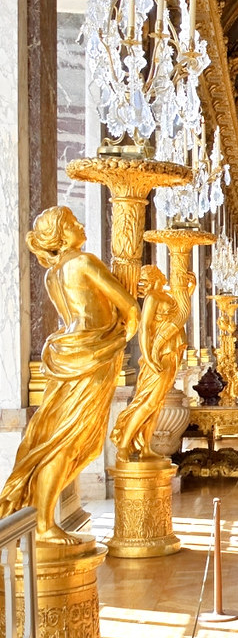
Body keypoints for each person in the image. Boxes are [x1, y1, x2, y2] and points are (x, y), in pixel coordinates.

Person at [0, 206, 138, 543]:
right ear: (61, 234)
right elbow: (129, 306)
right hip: (92, 356)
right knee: (68, 441)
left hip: (66, 353)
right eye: (74, 223)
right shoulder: (84, 262)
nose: (81, 225)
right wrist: (123, 336)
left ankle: (44, 519)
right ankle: (45, 525)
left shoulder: (52, 274)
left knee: (56, 440)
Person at [111, 266, 194, 461]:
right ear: (154, 277)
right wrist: (148, 356)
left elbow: (180, 312)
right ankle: (124, 445)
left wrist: (190, 288)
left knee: (157, 403)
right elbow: (145, 329)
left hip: (171, 351)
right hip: (159, 354)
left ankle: (145, 446)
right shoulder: (152, 297)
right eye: (154, 272)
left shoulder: (165, 295)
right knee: (148, 402)